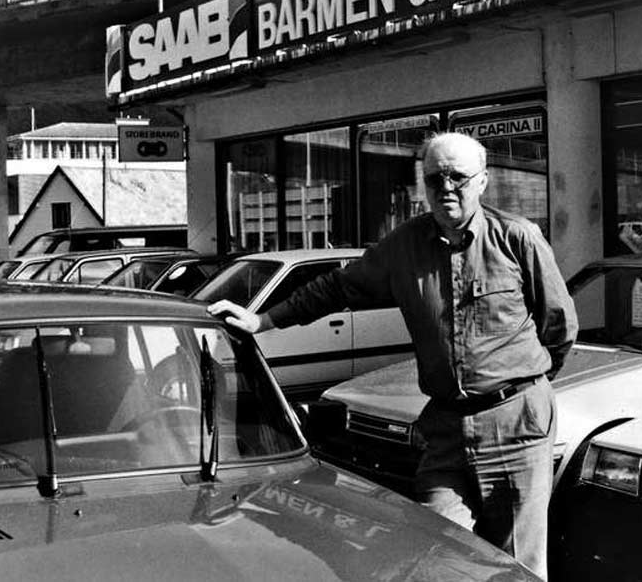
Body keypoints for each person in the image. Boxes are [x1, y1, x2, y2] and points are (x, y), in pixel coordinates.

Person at [206, 131, 577, 578]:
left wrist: (526, 385)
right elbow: (336, 287)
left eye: (458, 177)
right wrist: (263, 321)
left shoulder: (518, 238)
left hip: (516, 424)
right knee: (426, 551)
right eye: (434, 178)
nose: (446, 189)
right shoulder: (403, 246)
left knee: (516, 564)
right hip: (445, 429)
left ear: (483, 181)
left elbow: (559, 324)